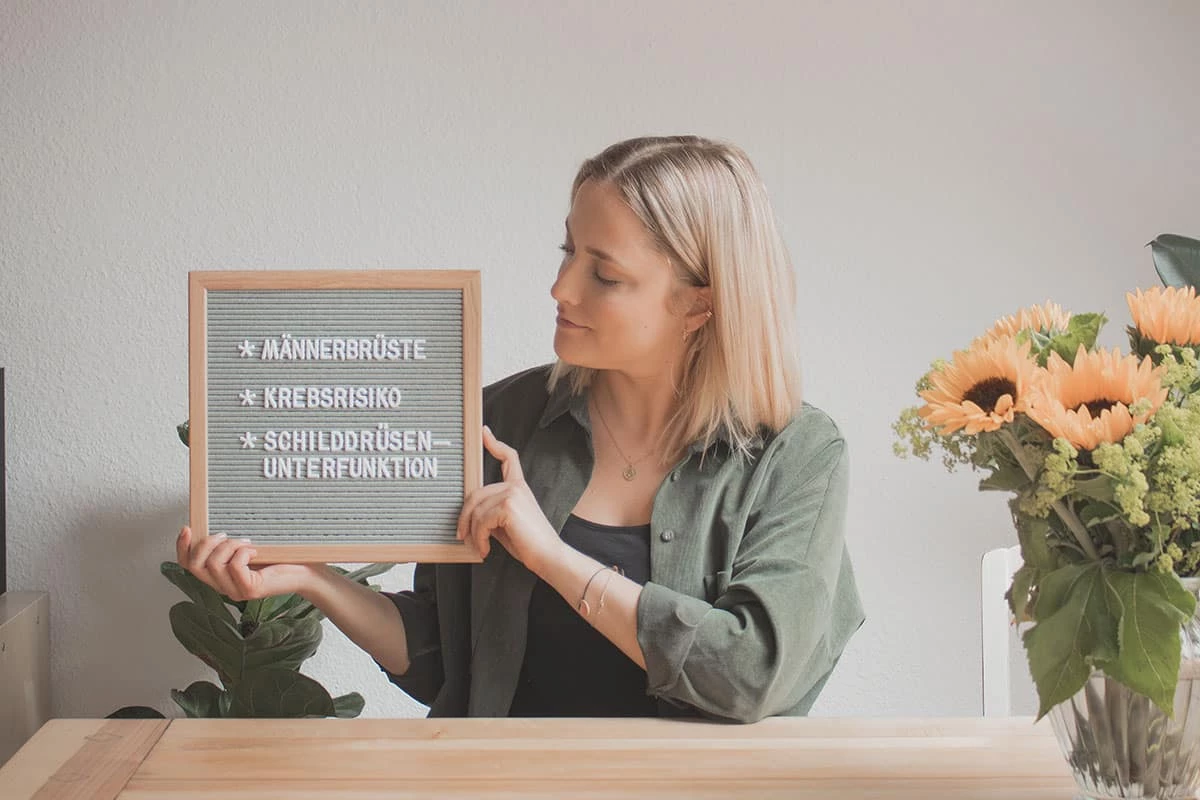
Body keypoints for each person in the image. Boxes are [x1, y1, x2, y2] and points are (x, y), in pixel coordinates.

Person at [176, 135, 864, 723]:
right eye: (569, 252)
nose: (562, 289)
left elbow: (750, 674)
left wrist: (551, 557)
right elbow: (448, 665)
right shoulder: (496, 421)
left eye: (606, 274)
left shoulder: (797, 454)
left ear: (700, 306)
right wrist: (316, 579)